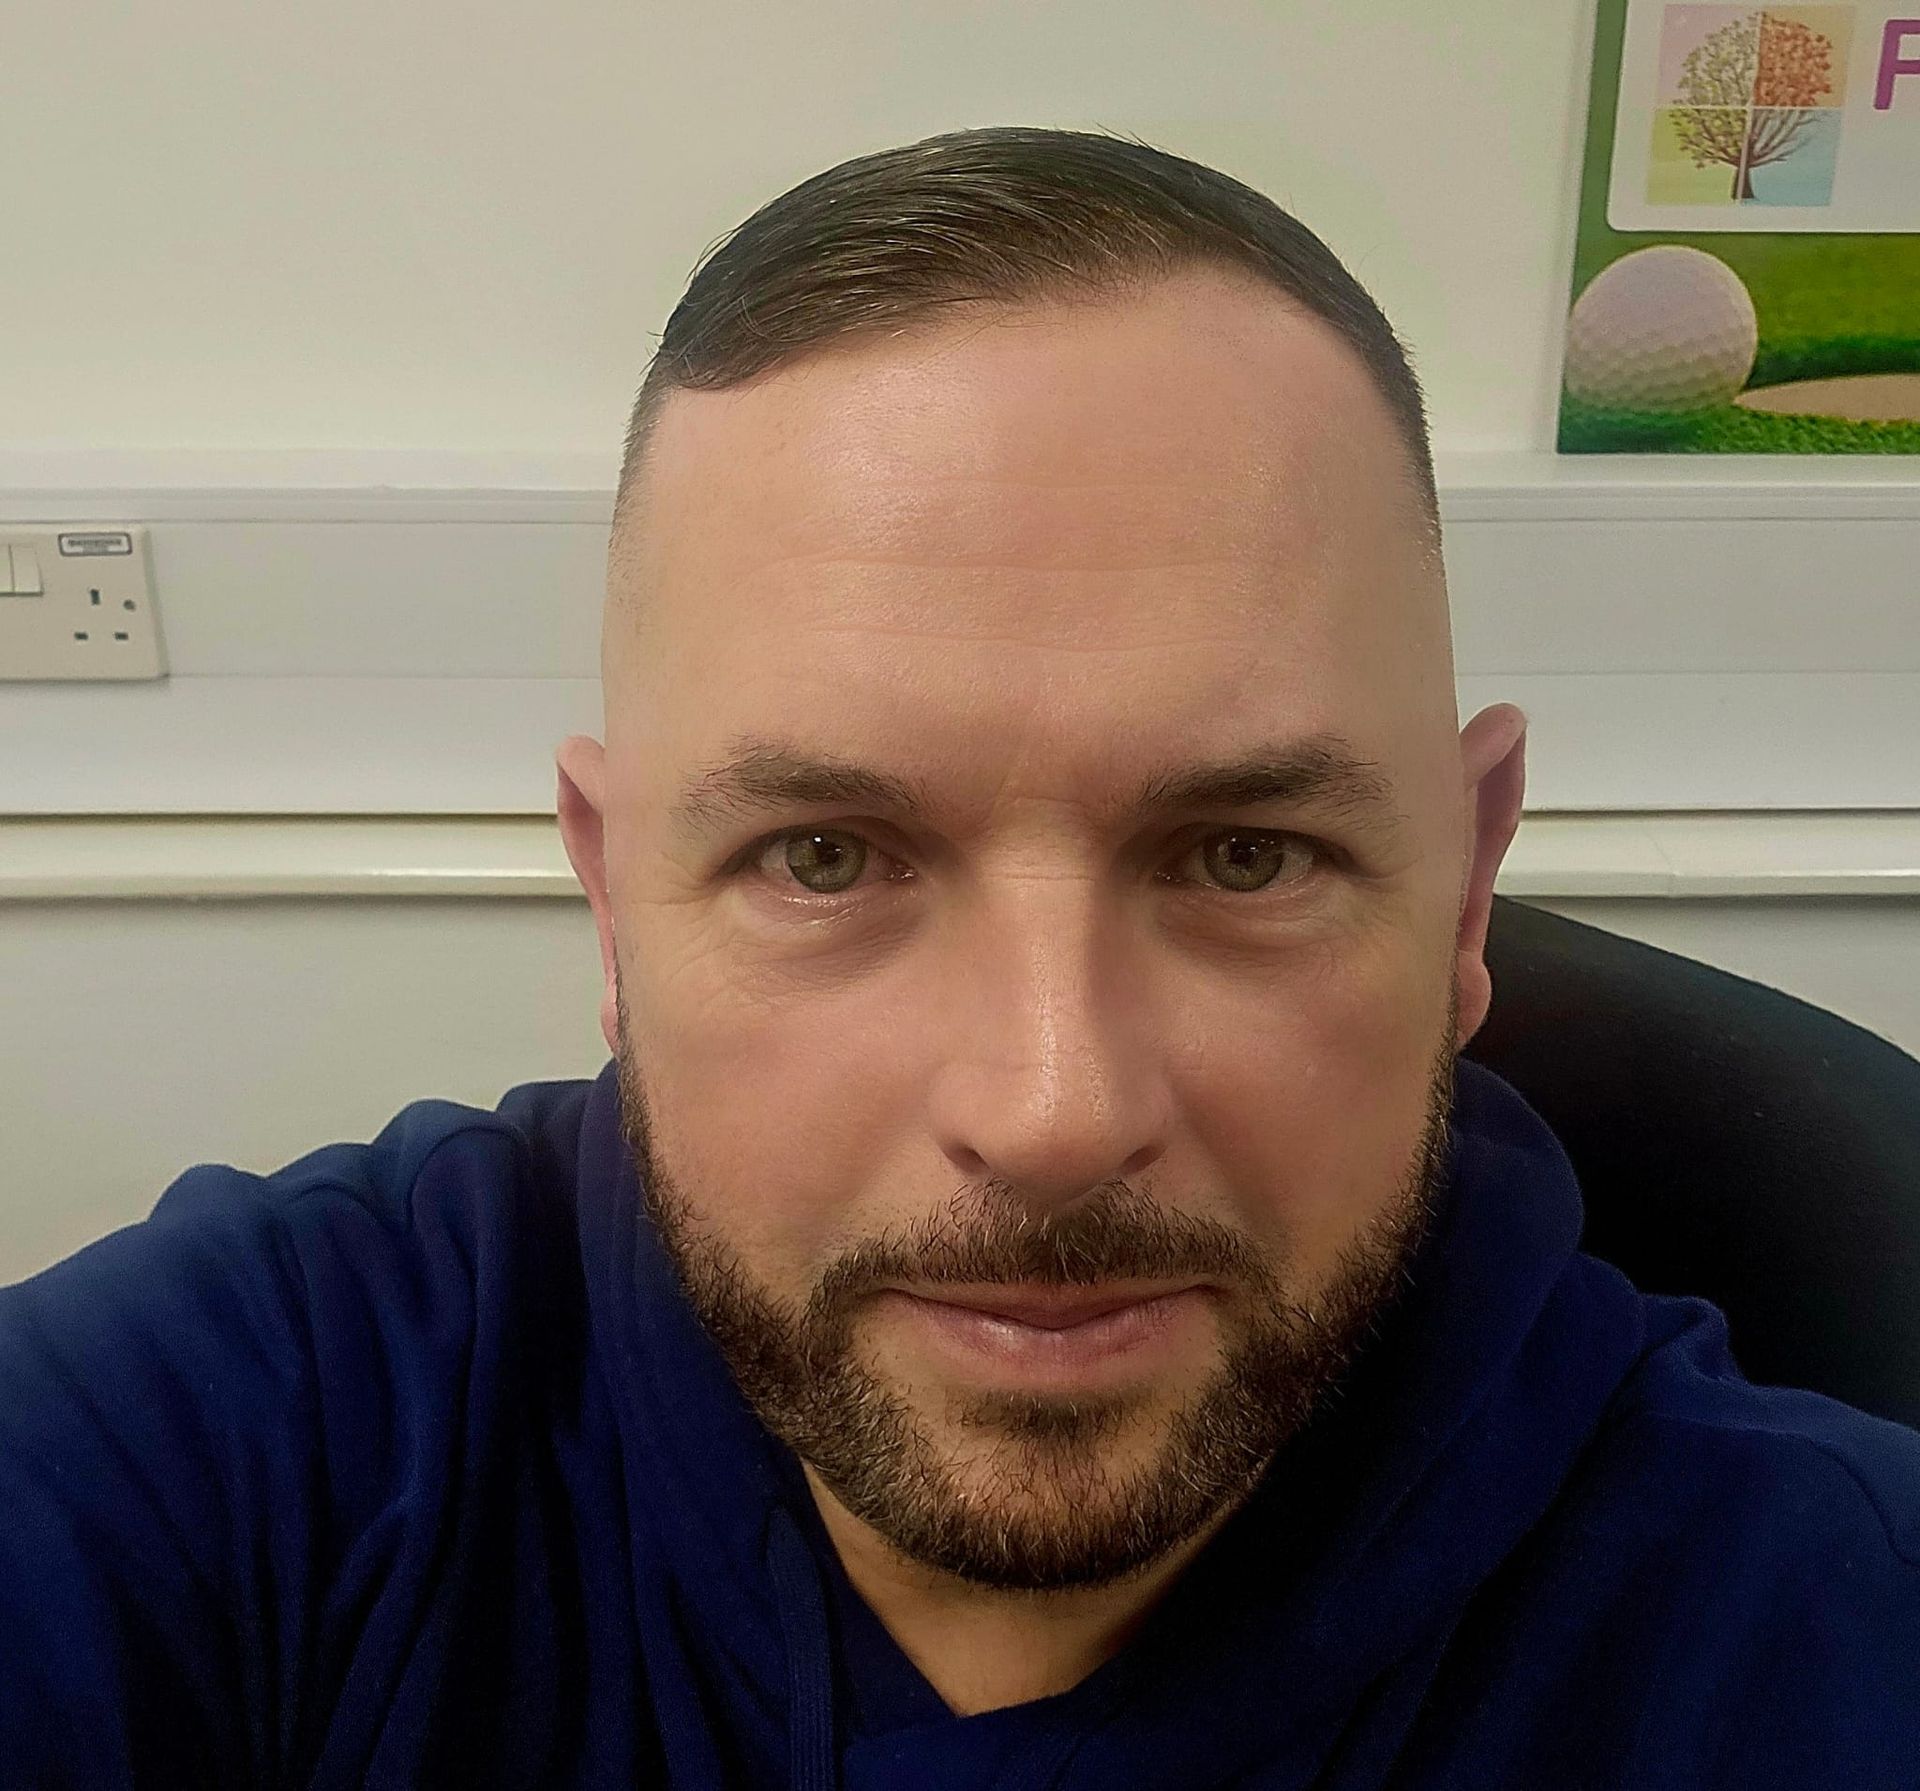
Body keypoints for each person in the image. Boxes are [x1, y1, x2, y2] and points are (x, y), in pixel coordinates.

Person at [2, 126, 1915, 1791]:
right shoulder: (238, 1446)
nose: (1052, 1110)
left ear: (1469, 884)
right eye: (822, 856)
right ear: (609, 898)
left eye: (1246, 854)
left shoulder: (1824, 1630)